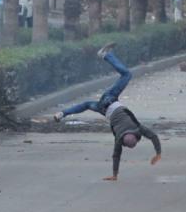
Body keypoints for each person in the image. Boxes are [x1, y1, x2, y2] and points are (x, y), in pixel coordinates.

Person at [54, 44, 161, 180]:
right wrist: (114, 175)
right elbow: (116, 156)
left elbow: (153, 136)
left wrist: (159, 153)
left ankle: (105, 55)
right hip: (104, 110)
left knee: (127, 75)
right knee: (86, 105)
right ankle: (62, 114)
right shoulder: (119, 138)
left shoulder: (137, 128)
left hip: (110, 100)